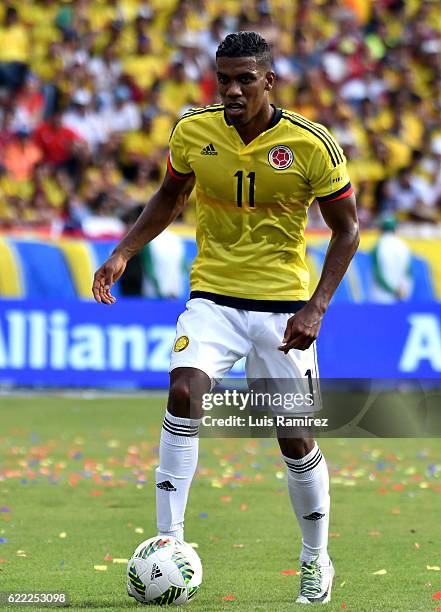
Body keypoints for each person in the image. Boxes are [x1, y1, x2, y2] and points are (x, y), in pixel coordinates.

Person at [93, 32, 359, 605]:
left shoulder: (312, 144)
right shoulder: (193, 131)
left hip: (284, 310)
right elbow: (169, 195)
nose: (232, 90)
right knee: (184, 390)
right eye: (224, 79)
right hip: (213, 298)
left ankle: (316, 559)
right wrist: (123, 252)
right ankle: (170, 543)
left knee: (293, 437)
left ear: (269, 80)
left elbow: (348, 229)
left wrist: (316, 306)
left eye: (244, 79)